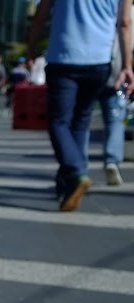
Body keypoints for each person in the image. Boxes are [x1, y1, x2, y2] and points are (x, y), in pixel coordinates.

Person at [28, 0, 134, 211]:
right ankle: (70, 184)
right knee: (81, 121)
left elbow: (40, 16)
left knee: (59, 122)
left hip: (64, 58)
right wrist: (127, 66)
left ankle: (76, 173)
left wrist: (31, 48)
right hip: (99, 62)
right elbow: (124, 22)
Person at [98, 0, 134, 186]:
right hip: (118, 72)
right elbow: (126, 26)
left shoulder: (103, 8)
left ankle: (77, 170)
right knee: (115, 120)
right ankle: (111, 160)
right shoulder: (129, 13)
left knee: (81, 117)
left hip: (92, 65)